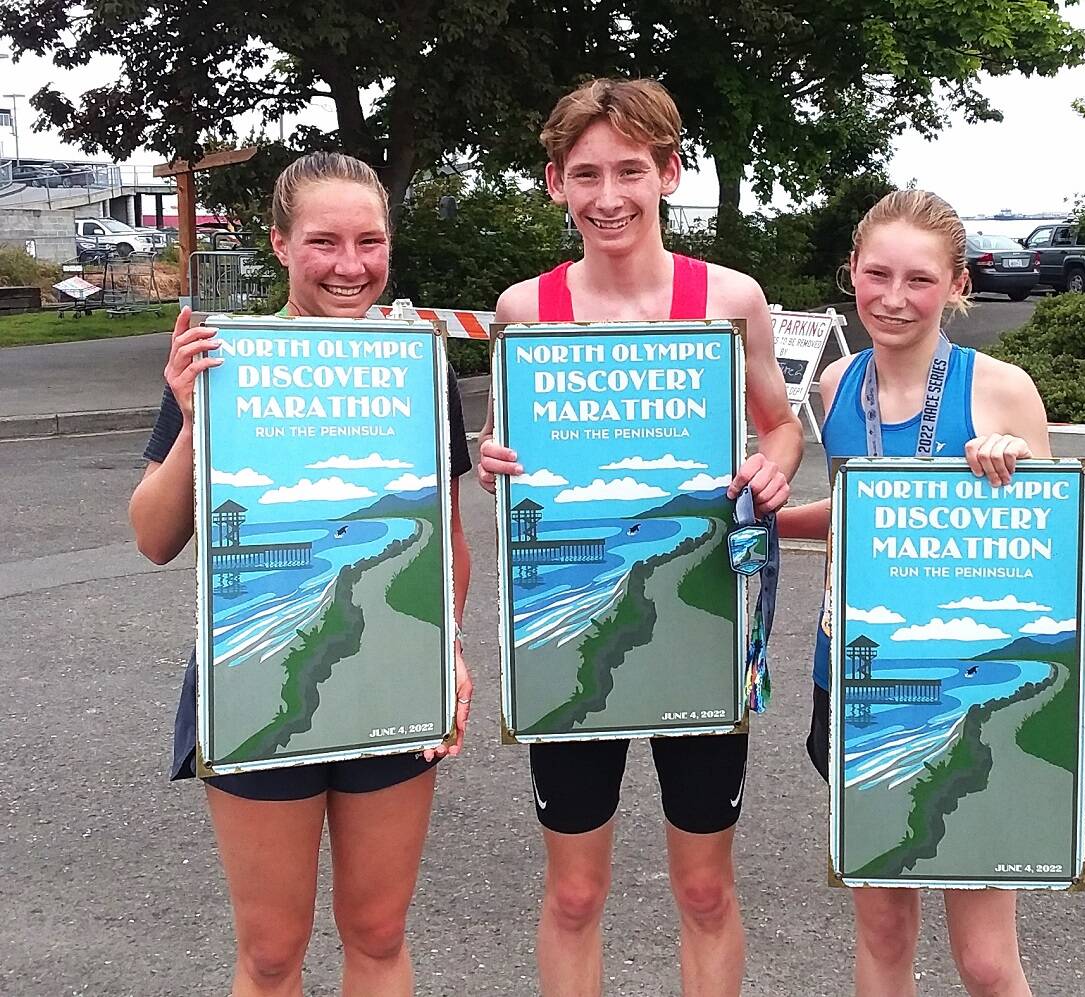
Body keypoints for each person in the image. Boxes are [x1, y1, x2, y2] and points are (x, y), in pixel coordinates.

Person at [476, 78, 803, 996]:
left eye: (630, 169)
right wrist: (491, 455)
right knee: (575, 894)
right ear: (554, 183)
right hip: (569, 633)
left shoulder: (729, 297)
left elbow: (779, 424)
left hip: (697, 627)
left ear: (669, 170)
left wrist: (774, 465)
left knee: (703, 888)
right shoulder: (524, 310)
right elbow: (508, 448)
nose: (609, 195)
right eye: (587, 174)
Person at [129, 151, 474, 997]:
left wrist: (449, 655)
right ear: (280, 243)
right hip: (252, 684)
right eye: (324, 241)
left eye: (370, 241)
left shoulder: (418, 363)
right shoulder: (219, 357)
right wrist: (192, 419)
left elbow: (447, 542)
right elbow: (153, 536)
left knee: (379, 932)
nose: (350, 265)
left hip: (395, 680)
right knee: (273, 952)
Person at [777, 189, 1050, 997]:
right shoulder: (835, 386)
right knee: (885, 931)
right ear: (850, 273)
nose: (894, 298)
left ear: (957, 284)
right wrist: (763, 517)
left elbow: (1052, 550)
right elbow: (861, 515)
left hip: (970, 692)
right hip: (857, 684)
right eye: (877, 274)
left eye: (921, 280)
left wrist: (1014, 465)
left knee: (985, 959)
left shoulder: (1000, 388)